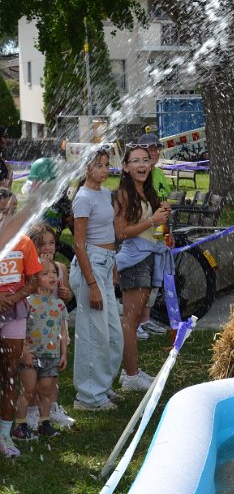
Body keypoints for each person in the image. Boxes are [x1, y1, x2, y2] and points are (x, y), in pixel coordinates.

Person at [70, 147, 124, 412]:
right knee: (94, 334)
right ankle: (88, 397)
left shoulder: (104, 194)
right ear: (87, 168)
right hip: (89, 266)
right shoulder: (83, 198)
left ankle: (103, 385)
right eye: (99, 165)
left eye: (106, 164)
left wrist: (113, 266)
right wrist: (91, 283)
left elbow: (108, 233)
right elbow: (79, 244)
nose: (105, 169)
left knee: (113, 333)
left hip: (106, 263)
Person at [114, 145, 171, 392]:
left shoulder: (148, 191)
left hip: (149, 256)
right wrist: (152, 220)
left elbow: (154, 228)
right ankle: (131, 376)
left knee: (135, 319)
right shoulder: (124, 195)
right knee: (131, 320)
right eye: (135, 161)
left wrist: (163, 224)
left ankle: (130, 371)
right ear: (126, 167)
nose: (141, 165)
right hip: (134, 259)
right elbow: (121, 233)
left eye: (145, 160)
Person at [0, 190, 42, 457]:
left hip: (14, 312)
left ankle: (4, 435)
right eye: (2, 211)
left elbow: (34, 280)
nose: (7, 216)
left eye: (12, 211)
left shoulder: (24, 242)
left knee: (9, 375)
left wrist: (13, 298)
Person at [25, 224, 75, 431]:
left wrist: (67, 294)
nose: (47, 248)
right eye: (41, 244)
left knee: (53, 371)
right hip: (35, 329)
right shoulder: (29, 268)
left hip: (55, 326)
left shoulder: (60, 268)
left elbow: (67, 297)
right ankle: (32, 410)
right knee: (32, 372)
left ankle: (52, 407)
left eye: (51, 243)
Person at [13, 257, 68, 441]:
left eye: (54, 272)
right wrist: (25, 352)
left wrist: (63, 353)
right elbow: (20, 329)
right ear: (34, 279)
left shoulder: (59, 304)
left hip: (51, 355)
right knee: (28, 389)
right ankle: (20, 425)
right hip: (32, 354)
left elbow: (62, 330)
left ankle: (44, 423)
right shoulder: (27, 303)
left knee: (46, 390)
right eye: (45, 273)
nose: (52, 276)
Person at [134, 132, 172, 336]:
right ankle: (135, 323)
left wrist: (168, 229)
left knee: (155, 279)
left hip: (159, 233)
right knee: (142, 279)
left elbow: (163, 201)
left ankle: (146, 319)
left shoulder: (157, 174)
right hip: (143, 235)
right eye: (150, 149)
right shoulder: (140, 176)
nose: (155, 152)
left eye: (157, 148)